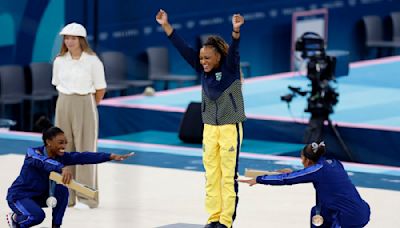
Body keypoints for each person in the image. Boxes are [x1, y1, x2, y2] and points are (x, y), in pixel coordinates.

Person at [156, 9, 246, 228]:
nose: (203, 61)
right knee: (211, 175)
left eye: (207, 58)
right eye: (201, 58)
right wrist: (166, 25)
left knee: (227, 177)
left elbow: (234, 50)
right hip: (209, 128)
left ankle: (226, 221)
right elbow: (182, 48)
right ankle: (213, 217)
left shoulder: (230, 69)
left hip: (229, 128)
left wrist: (235, 31)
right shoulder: (203, 69)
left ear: (218, 57)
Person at [5, 122, 134, 228]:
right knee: (36, 216)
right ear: (48, 142)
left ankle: (56, 226)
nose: (64, 146)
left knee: (62, 190)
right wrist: (61, 168)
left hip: (40, 196)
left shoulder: (61, 156)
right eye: (60, 143)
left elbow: (83, 156)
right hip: (19, 196)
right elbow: (44, 162)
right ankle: (15, 220)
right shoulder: (32, 153)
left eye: (66, 142)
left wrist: (110, 156)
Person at [239, 142, 370, 228]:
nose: (301, 161)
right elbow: (318, 175)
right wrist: (299, 172)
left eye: (301, 158)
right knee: (317, 213)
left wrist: (259, 179)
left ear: (307, 160)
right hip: (356, 210)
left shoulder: (316, 170)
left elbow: (286, 179)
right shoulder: (333, 163)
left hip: (348, 217)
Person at [52, 22, 107, 208]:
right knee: (62, 150)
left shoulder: (93, 61)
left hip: (85, 101)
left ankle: (86, 197)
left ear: (81, 40)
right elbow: (57, 83)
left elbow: (100, 88)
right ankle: (66, 196)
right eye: (66, 38)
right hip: (63, 102)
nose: (69, 41)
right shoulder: (59, 60)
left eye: (73, 38)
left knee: (85, 150)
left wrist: (88, 105)